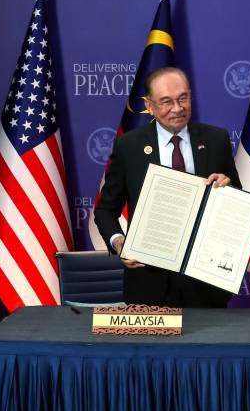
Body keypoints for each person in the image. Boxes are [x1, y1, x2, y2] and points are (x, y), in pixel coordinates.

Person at [94, 67, 240, 308]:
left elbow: (236, 201)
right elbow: (105, 210)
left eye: (183, 98)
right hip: (148, 283)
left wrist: (227, 188)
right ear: (149, 105)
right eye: (166, 101)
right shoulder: (128, 146)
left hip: (206, 283)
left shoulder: (216, 140)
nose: (177, 108)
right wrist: (119, 242)